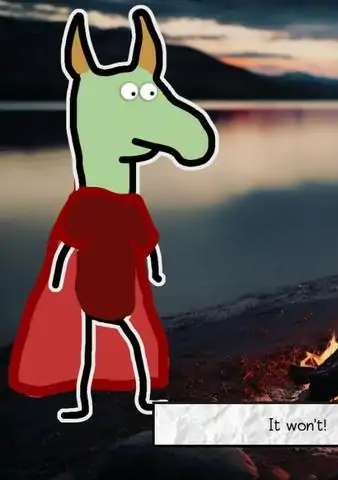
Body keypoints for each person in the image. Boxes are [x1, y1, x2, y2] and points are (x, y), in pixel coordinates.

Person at [8, 6, 219, 423]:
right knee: (98, 339)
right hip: (97, 286)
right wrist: (60, 273)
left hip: (112, 284)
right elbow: (75, 243)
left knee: (121, 335)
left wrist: (151, 266)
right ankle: (93, 399)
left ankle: (134, 396)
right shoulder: (92, 204)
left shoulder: (118, 206)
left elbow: (134, 239)